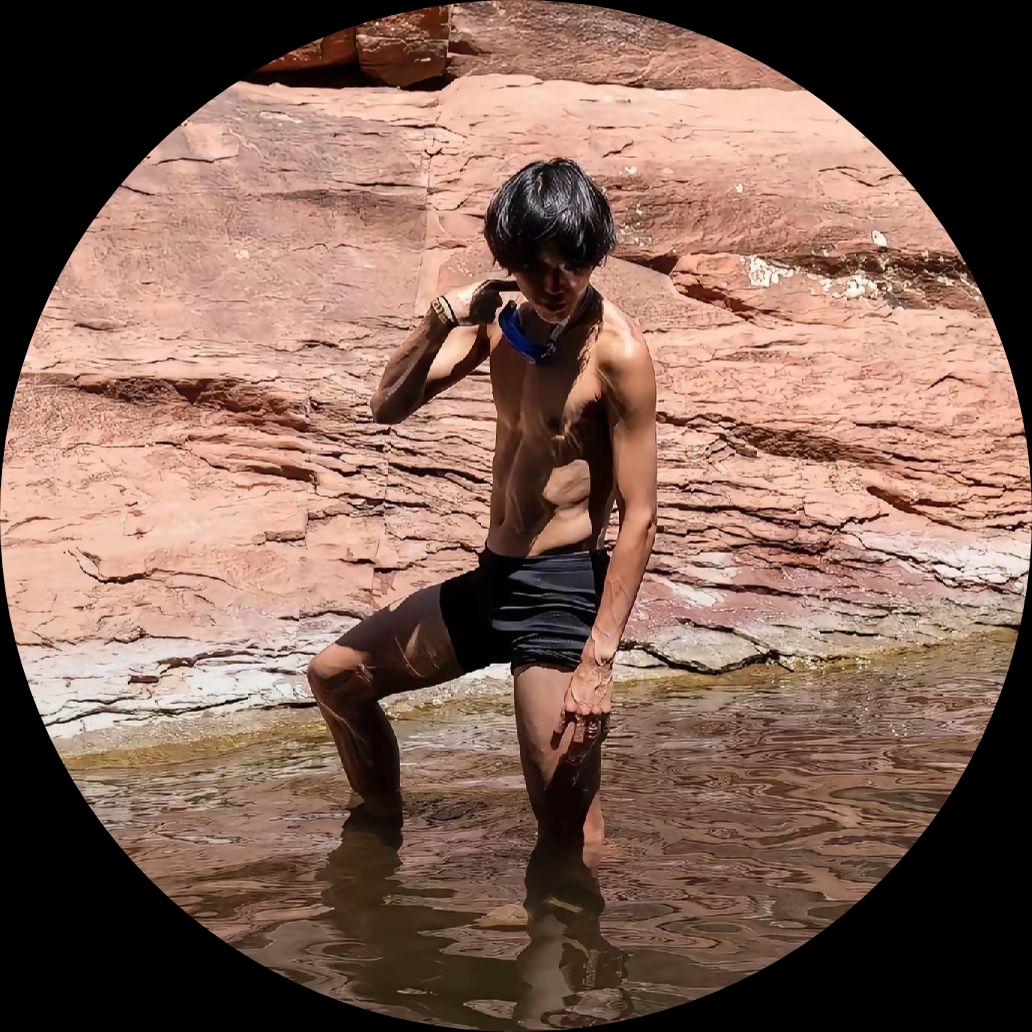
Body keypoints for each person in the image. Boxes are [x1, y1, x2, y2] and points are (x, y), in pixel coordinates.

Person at [307, 157, 658, 854]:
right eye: (535, 267)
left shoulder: (618, 353)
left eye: (572, 264)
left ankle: (583, 911)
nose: (554, 284)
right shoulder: (501, 326)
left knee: (564, 825)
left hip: (560, 595)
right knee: (337, 677)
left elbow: (641, 517)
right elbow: (388, 406)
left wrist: (598, 663)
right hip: (494, 577)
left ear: (595, 254)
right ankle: (375, 837)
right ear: (508, 263)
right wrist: (440, 320)